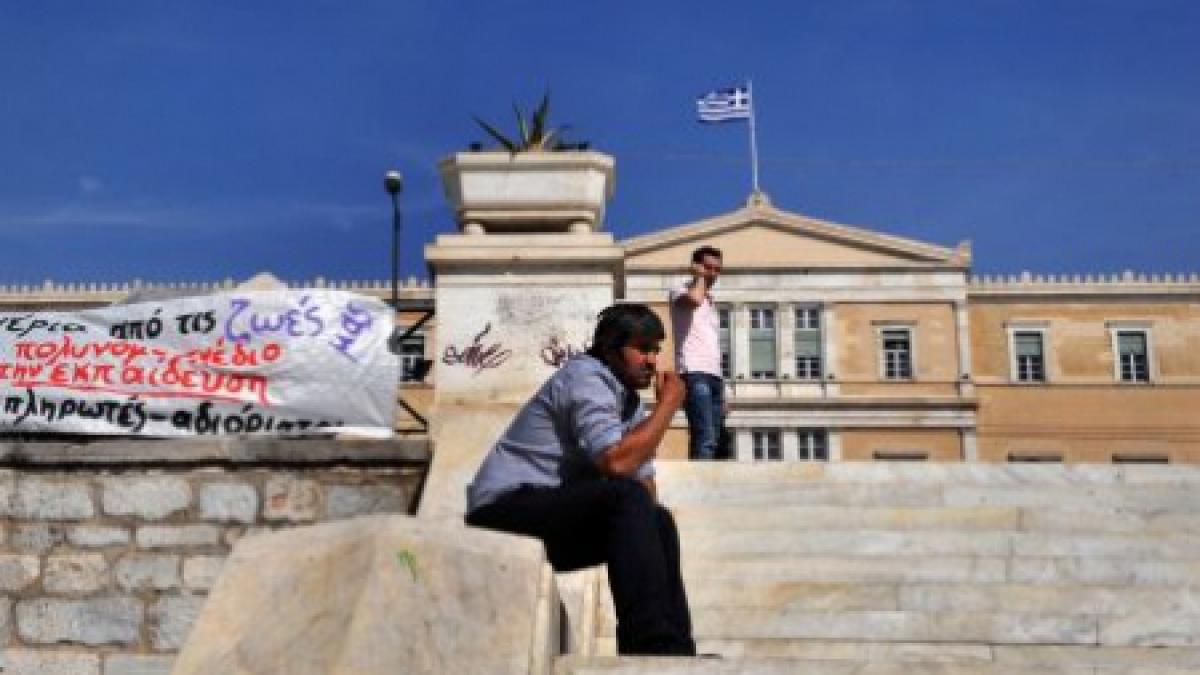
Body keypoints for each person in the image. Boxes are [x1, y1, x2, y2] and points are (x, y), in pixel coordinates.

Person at [464, 303, 696, 656]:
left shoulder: (630, 404)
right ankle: (648, 644)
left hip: (552, 519)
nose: (652, 360)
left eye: (655, 350)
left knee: (659, 520)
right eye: (642, 349)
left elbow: (644, 491)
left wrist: (644, 517)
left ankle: (675, 649)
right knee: (625, 496)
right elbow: (616, 463)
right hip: (501, 510)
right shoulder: (586, 377)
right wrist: (667, 408)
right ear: (611, 349)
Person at [669, 245, 724, 461]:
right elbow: (694, 301)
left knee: (714, 439)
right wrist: (699, 277)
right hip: (694, 372)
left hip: (714, 376)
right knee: (705, 437)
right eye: (708, 268)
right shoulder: (680, 290)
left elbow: (713, 345)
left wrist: (722, 386)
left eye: (717, 269)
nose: (713, 273)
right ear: (696, 267)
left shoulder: (710, 301)